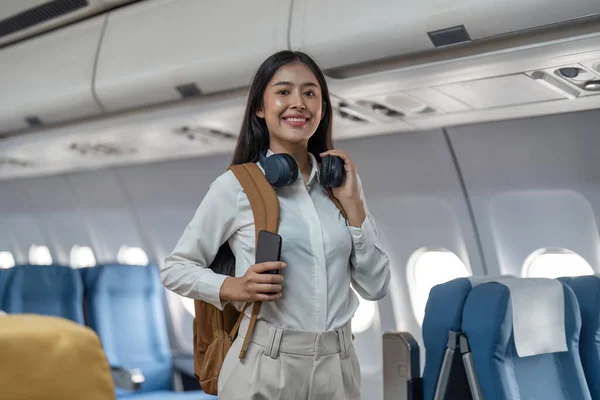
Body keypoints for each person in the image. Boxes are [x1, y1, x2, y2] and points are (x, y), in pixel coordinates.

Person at [161, 50, 391, 399]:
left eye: (310, 93)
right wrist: (233, 287)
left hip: (339, 365)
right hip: (267, 362)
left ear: (323, 108)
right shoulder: (236, 186)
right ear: (260, 107)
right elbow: (175, 268)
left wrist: (356, 207)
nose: (298, 103)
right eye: (283, 92)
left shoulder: (339, 188)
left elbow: (375, 286)